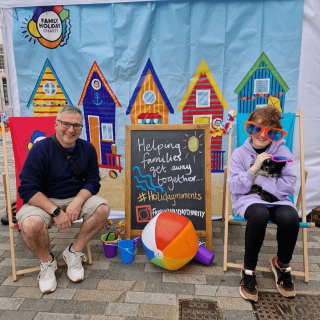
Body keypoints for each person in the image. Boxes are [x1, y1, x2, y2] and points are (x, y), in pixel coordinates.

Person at [17, 106, 110, 293]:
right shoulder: (39, 150)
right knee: (30, 224)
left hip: (75, 197)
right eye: (66, 123)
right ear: (56, 124)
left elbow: (93, 181)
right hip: (43, 201)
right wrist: (56, 212)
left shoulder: (88, 149)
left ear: (81, 128)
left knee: (102, 209)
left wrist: (77, 202)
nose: (71, 129)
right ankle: (47, 262)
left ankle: (74, 252)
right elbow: (27, 189)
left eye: (76, 125)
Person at [228, 105, 299, 302]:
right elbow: (235, 188)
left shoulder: (283, 152)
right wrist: (254, 169)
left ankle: (281, 264)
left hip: (279, 200)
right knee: (260, 215)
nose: (262, 135)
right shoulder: (240, 154)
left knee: (291, 217)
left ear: (275, 133)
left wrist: (259, 179)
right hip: (248, 200)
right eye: (256, 129)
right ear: (250, 129)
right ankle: (248, 270)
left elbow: (288, 186)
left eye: (269, 131)